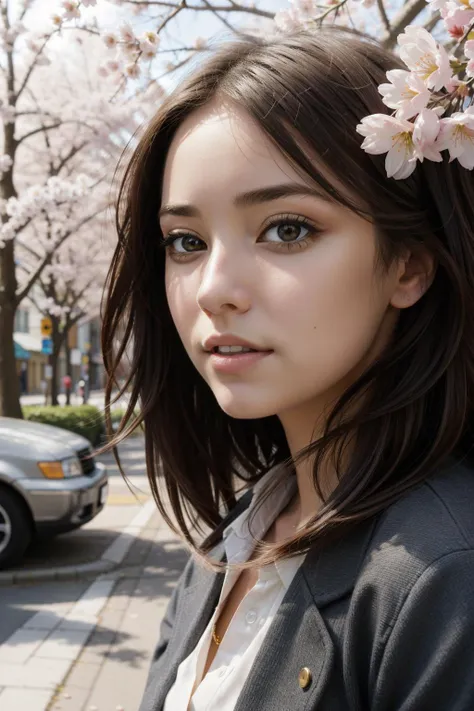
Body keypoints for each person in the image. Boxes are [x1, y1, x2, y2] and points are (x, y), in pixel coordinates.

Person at [101, 27, 474, 711]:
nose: (214, 287)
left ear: (410, 264)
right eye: (185, 241)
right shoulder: (241, 529)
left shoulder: (444, 577)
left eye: (287, 228)